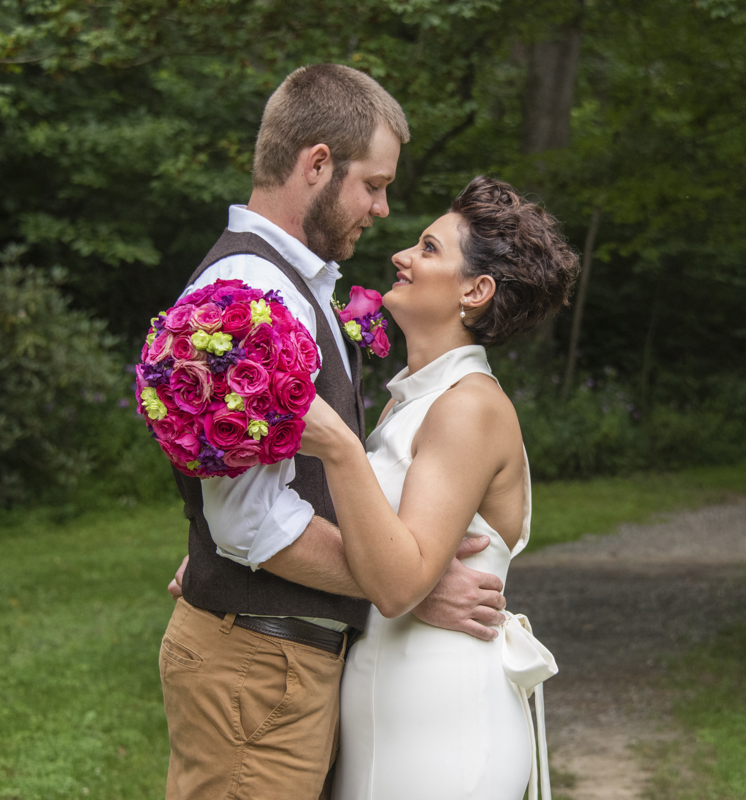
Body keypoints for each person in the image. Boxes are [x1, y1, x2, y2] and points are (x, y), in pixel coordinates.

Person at [158, 64, 508, 800]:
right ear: (318, 164)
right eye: (374, 185)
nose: (382, 210)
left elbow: (253, 501)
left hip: (278, 671)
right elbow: (247, 519)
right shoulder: (251, 298)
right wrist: (405, 587)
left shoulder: (290, 286)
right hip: (258, 672)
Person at [296, 175, 579, 800]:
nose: (400, 255)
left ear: (475, 291)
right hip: (385, 713)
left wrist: (341, 449)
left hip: (444, 723)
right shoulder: (412, 403)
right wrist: (234, 563)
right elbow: (372, 546)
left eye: (428, 248)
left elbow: (398, 582)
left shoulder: (468, 408)